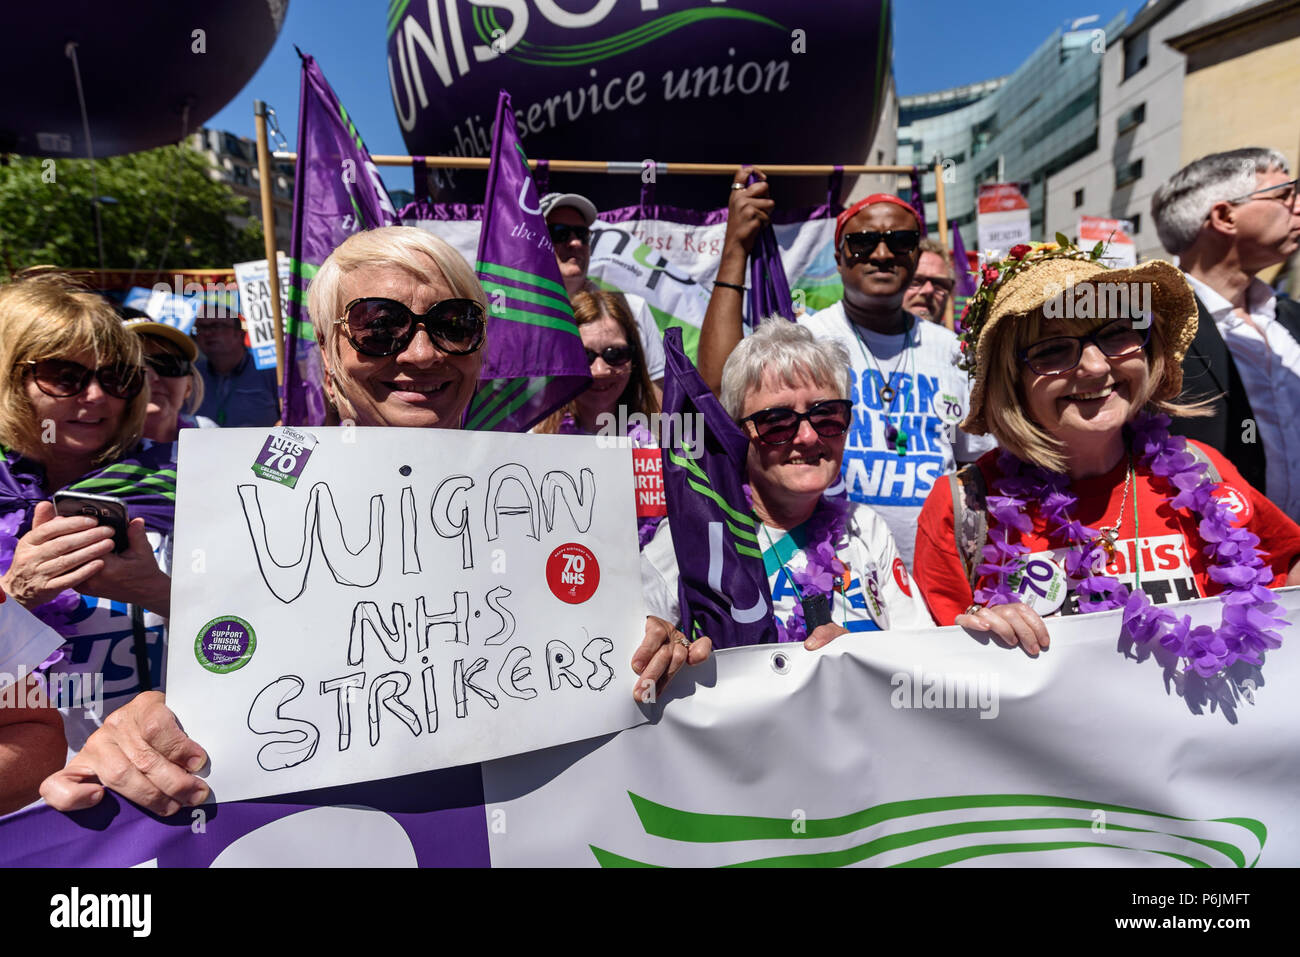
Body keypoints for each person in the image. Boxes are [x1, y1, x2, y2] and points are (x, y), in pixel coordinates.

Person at [40, 226, 704, 815]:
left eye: (453, 323)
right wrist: (143, 730)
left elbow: (637, 653)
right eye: (379, 326)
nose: (421, 353)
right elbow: (237, 666)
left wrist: (664, 653)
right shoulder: (250, 497)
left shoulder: (558, 496)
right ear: (328, 354)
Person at [912, 240, 1300, 661]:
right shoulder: (965, 506)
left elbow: (1289, 569)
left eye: (1116, 335)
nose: (1096, 367)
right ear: (1011, 379)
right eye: (1053, 350)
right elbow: (932, 667)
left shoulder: (1204, 471)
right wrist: (979, 633)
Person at [697, 167, 994, 570]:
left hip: (941, 578)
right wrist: (735, 249)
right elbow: (717, 397)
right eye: (864, 242)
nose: (883, 253)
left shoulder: (954, 351)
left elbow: (979, 464)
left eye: (901, 241)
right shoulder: (808, 342)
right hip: (832, 574)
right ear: (838, 257)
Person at [642, 318, 932, 656]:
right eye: (776, 422)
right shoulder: (692, 537)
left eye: (827, 415)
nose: (808, 437)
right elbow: (622, 651)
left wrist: (857, 657)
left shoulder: (866, 528)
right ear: (738, 435)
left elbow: (923, 659)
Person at [0, 274, 176, 756]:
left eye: (116, 377)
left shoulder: (183, 484)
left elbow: (267, 633)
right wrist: (15, 598)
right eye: (64, 377)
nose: (96, 396)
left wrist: (160, 594)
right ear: (12, 382)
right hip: (29, 803)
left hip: (163, 785)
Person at [1151, 148, 1300, 522]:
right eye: (1285, 194)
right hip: (1220, 564)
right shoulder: (1148, 327)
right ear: (1224, 215)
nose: (1297, 206)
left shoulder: (1291, 317)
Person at [533, 289, 664, 547]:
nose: (601, 370)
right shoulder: (532, 440)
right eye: (585, 356)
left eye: (615, 354)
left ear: (634, 358)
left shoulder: (659, 449)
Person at [539, 191, 666, 392]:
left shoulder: (631, 308)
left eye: (582, 234)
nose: (575, 243)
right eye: (559, 233)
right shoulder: (514, 315)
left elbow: (657, 397)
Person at [120, 313, 217, 447]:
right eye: (132, 366)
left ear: (188, 386)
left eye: (169, 365)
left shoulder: (208, 435)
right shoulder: (88, 454)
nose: (151, 377)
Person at [192, 306, 280, 427]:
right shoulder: (192, 375)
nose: (207, 333)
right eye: (201, 328)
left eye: (217, 326)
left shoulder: (269, 371)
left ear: (239, 334)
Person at [903, 238, 957, 326]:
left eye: (939, 284)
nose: (929, 290)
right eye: (916, 281)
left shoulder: (952, 339)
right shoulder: (873, 338)